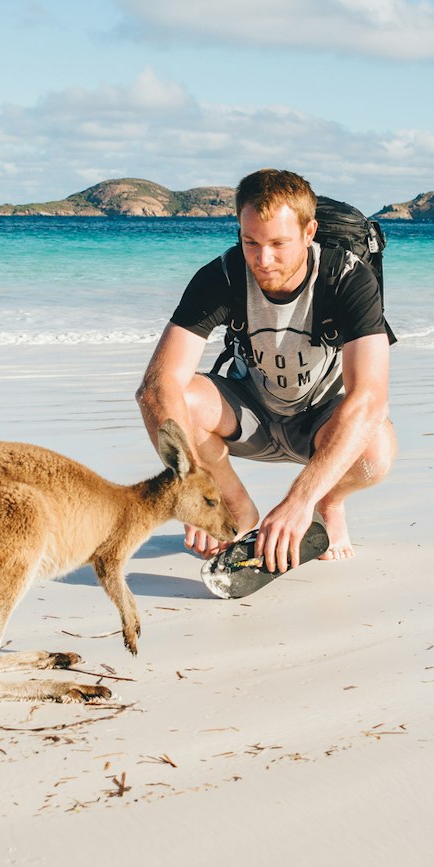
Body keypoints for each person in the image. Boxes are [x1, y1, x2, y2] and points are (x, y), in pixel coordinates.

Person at [135, 168, 397, 575]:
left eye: (278, 243)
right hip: (249, 413)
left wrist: (300, 501)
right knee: (179, 399)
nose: (263, 259)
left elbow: (370, 397)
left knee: (376, 448)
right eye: (250, 242)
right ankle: (235, 505)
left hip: (320, 424)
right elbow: (156, 387)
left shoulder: (346, 278)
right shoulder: (222, 275)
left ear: (309, 232)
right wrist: (192, 488)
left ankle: (329, 500)